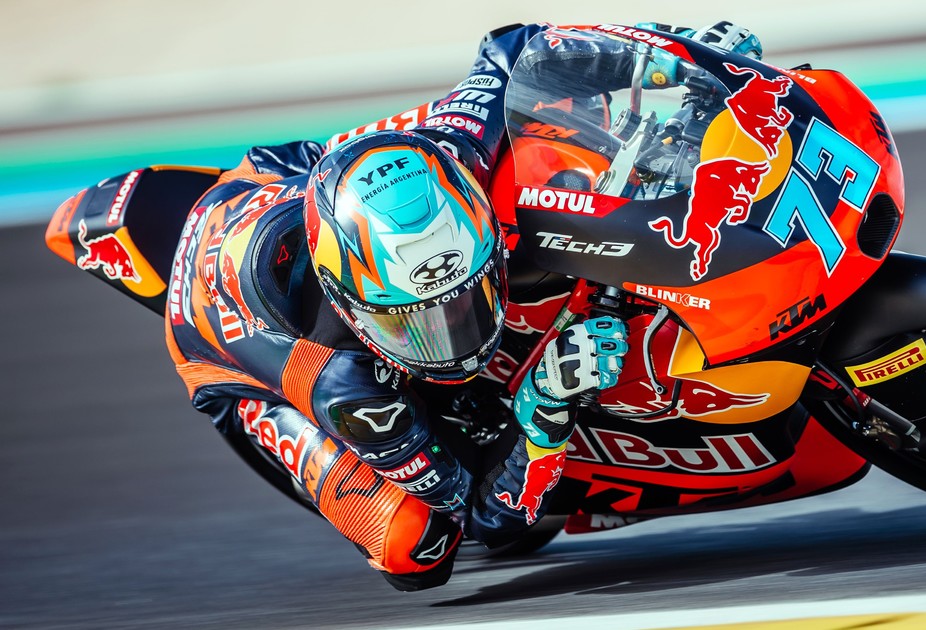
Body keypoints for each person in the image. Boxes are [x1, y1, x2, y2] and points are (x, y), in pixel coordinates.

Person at [158, 20, 762, 592]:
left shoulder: (453, 153)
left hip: (281, 177)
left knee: (543, 128)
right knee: (415, 546)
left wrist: (670, 60)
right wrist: (544, 411)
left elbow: (514, 48)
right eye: (414, 324)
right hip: (214, 341)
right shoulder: (344, 386)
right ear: (350, 305)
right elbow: (482, 517)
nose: (455, 335)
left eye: (466, 299)